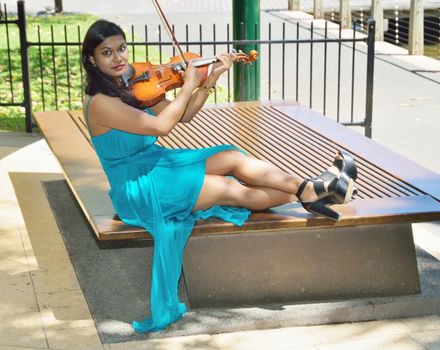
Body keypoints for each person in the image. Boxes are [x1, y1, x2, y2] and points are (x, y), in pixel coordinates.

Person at [81, 19, 356, 332]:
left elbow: (184, 116)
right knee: (227, 187)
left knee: (230, 155)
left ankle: (309, 189)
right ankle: (317, 191)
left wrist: (209, 78)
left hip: (156, 163)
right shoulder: (101, 102)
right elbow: (161, 127)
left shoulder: (132, 85)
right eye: (107, 52)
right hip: (139, 186)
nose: (118, 58)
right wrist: (186, 84)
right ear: (92, 59)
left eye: (121, 49)